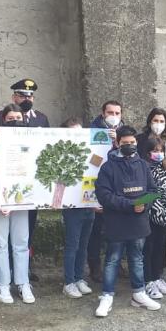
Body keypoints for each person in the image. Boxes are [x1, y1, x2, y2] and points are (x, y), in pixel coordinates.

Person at [0, 79, 51, 282]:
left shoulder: (41, 118)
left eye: (30, 95)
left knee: (26, 232)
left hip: (30, 188)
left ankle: (24, 271)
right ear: (14, 97)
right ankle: (6, 274)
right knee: (2, 238)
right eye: (22, 95)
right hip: (4, 186)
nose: (26, 99)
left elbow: (46, 149)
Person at [93, 125, 160, 317]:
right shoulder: (108, 167)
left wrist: (143, 205)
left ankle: (138, 293)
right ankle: (107, 295)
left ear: (137, 143)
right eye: (125, 143)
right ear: (117, 143)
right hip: (116, 223)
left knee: (137, 259)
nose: (129, 146)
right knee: (112, 260)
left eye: (132, 143)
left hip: (139, 223)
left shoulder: (143, 165)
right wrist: (130, 205)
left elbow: (153, 191)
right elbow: (104, 195)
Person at [0, 105, 34, 304]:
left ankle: (23, 283)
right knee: (0, 243)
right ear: (3, 120)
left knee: (21, 243)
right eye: (11, 118)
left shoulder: (30, 140)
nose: (15, 120)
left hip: (22, 199)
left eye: (18, 117)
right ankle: (2, 285)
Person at [141, 133, 166, 300]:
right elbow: (143, 194)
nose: (158, 153)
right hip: (147, 216)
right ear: (148, 152)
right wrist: (156, 198)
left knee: (160, 247)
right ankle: (147, 280)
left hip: (165, 216)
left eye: (161, 150)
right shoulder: (142, 168)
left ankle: (157, 277)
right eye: (155, 150)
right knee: (148, 249)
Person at [87, 100, 124, 282]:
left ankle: (117, 262)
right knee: (96, 231)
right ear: (103, 113)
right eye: (110, 112)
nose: (114, 116)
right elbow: (89, 160)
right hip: (96, 187)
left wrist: (117, 143)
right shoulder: (92, 130)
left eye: (117, 113)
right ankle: (95, 266)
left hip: (117, 189)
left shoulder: (125, 133)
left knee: (117, 229)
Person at [60, 117, 96, 299]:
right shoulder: (62, 156)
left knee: (84, 244)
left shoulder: (90, 152)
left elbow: (98, 167)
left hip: (88, 205)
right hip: (71, 207)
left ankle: (79, 277)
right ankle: (69, 282)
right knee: (72, 244)